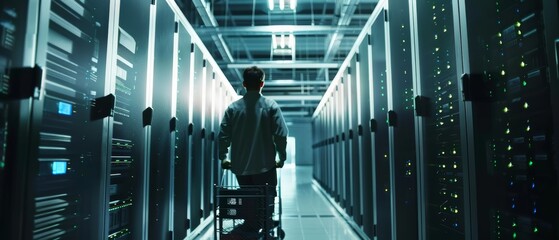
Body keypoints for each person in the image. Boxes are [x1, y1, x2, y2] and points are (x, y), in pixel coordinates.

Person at [218, 66, 289, 236]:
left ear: (244, 84)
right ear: (262, 84)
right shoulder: (271, 106)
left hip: (240, 166)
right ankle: (265, 224)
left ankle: (251, 226)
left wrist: (223, 157)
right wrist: (282, 157)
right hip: (266, 165)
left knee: (248, 198)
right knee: (267, 198)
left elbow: (223, 136)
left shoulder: (233, 108)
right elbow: (281, 134)